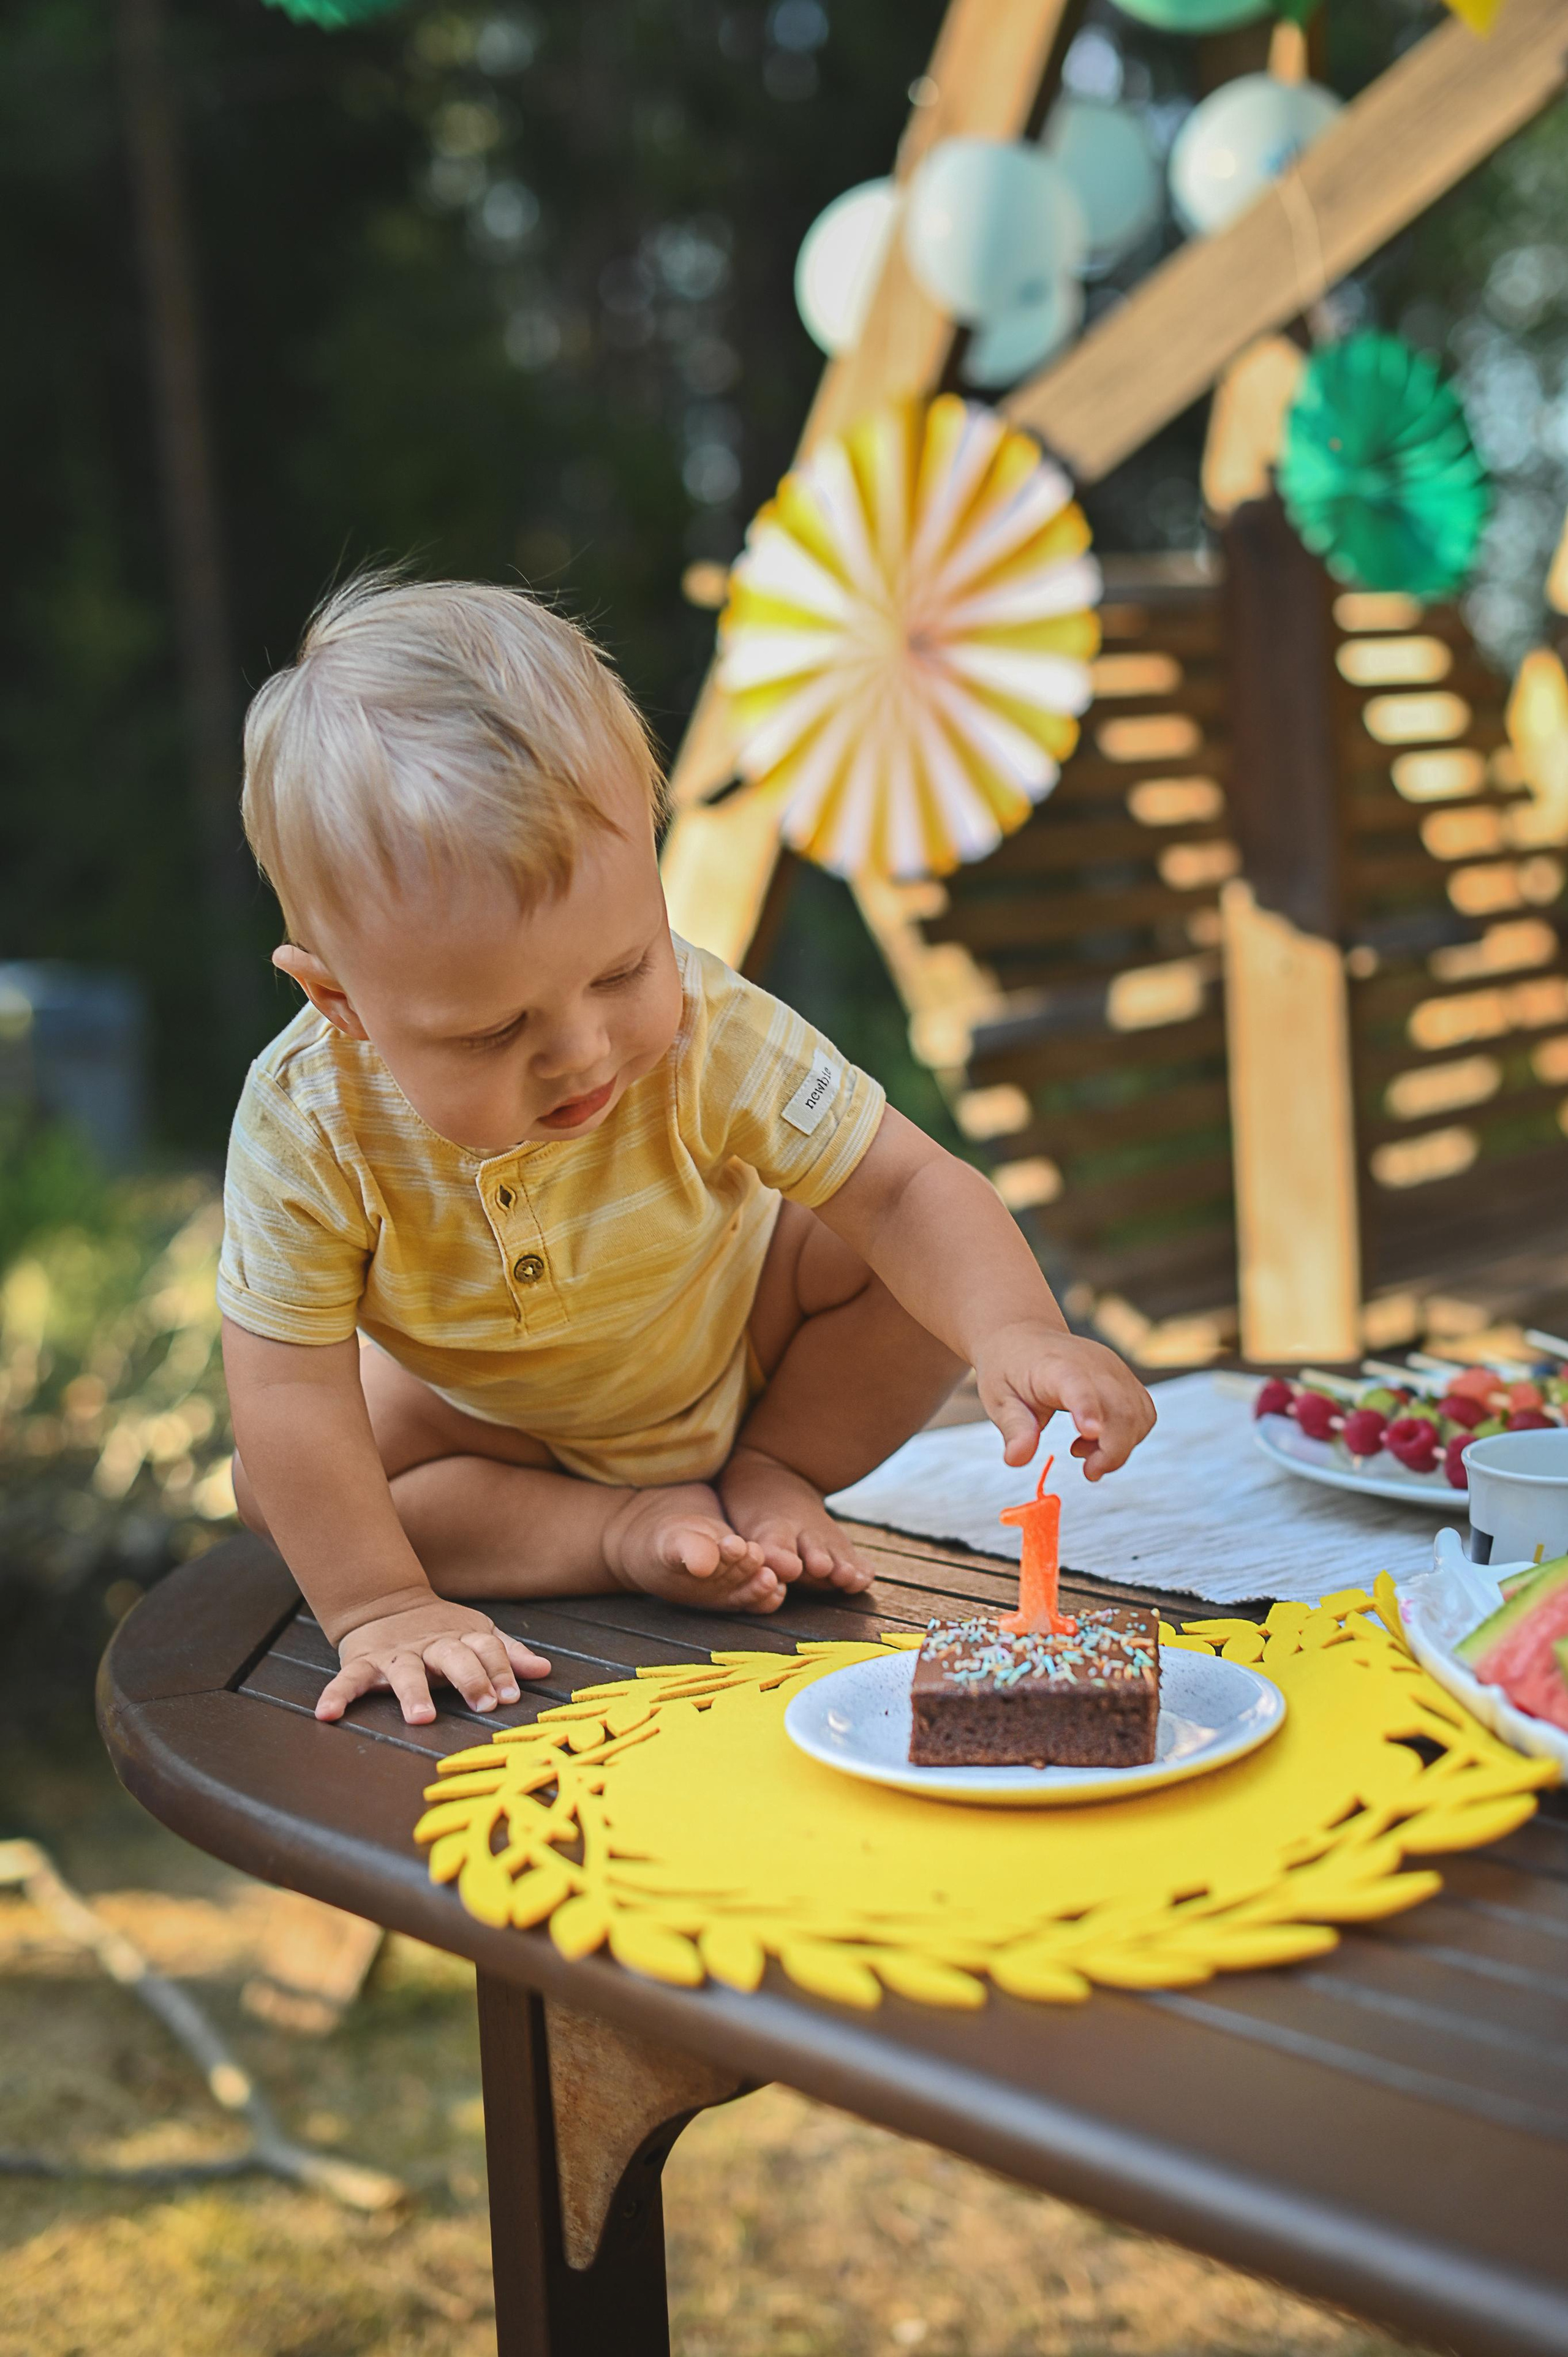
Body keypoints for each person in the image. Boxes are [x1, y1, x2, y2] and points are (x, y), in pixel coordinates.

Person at [221, 575, 1156, 1728]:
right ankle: (610, 1536)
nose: (583, 1050)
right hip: (482, 1428)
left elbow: (908, 1188)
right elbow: (286, 1385)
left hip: (738, 1355)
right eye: (494, 1031)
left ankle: (773, 1470)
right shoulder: (310, 1121)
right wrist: (377, 1604)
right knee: (278, 1477)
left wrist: (1017, 1329)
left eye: (622, 969)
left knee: (890, 1259)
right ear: (340, 1001)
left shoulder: (712, 1031)